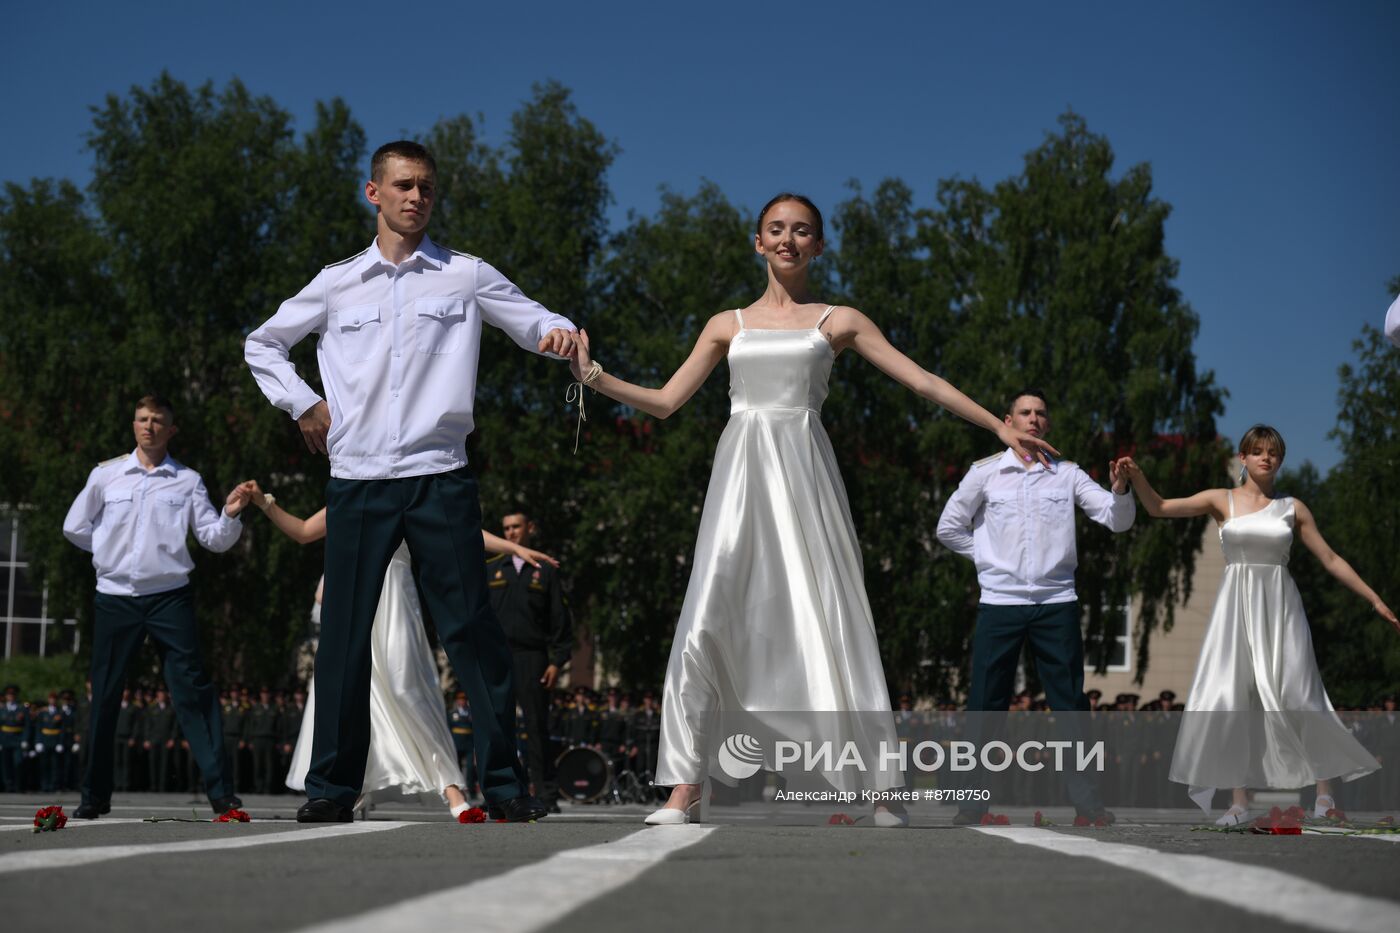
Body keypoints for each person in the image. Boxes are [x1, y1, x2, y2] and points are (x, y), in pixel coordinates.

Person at [567, 193, 1055, 825]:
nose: (788, 240)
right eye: (776, 230)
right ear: (758, 241)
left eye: (802, 232)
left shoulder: (839, 320)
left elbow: (922, 381)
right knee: (706, 616)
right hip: (739, 479)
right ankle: (685, 787)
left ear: (818, 246)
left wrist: (998, 426)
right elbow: (664, 402)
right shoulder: (727, 323)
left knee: (829, 614)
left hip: (803, 475)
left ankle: (879, 788)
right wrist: (591, 374)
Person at [244, 140, 576, 824]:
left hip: (440, 478)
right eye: (402, 186)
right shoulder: (338, 282)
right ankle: (332, 788)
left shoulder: (464, 275)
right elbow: (262, 343)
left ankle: (507, 785)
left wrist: (559, 334)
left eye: (426, 187)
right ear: (374, 193)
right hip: (359, 480)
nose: (416, 197)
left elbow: (534, 317)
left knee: (473, 633)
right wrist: (302, 403)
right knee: (343, 635)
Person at [1119, 425, 1397, 824]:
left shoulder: (1293, 508)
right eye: (1258, 451)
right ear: (1242, 458)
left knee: (1301, 695)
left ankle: (1324, 795)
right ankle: (1238, 802)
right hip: (1235, 608)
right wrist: (1137, 476)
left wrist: (1374, 599)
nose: (1266, 457)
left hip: (1281, 607)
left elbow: (1331, 559)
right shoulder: (1222, 500)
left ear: (1280, 460)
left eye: (1274, 452)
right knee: (1237, 699)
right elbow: (1159, 508)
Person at [239, 485, 559, 818]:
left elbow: (460, 532)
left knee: (407, 688)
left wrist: (513, 548)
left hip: (396, 610)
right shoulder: (360, 491)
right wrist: (263, 502)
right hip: (361, 602)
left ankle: (451, 786)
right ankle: (349, 788)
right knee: (357, 692)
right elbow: (304, 531)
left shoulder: (419, 484)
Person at [935, 389, 1132, 825]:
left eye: (1041, 413)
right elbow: (948, 527)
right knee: (987, 704)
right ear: (1008, 420)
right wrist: (988, 558)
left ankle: (1087, 806)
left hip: (1055, 602)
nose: (1033, 419)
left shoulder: (1068, 475)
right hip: (999, 604)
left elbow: (1116, 520)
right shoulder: (985, 473)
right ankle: (972, 806)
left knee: (1071, 707)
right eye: (1024, 412)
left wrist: (1119, 488)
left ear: (1049, 424)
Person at [62, 394, 248, 818]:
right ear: (133, 425)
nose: (149, 426)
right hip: (115, 597)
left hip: (169, 598)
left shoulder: (187, 480)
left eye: (158, 421)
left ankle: (222, 794)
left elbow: (213, 538)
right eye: (143, 419)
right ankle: (94, 796)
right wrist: (107, 553)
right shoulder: (106, 476)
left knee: (193, 695)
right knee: (105, 696)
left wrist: (232, 514)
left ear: (171, 430)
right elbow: (74, 526)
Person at [489, 511, 573, 812]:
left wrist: (557, 662)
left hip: (532, 657)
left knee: (537, 727)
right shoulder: (492, 568)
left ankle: (547, 794)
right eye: (506, 528)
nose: (511, 533)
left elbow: (560, 620)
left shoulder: (545, 571)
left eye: (516, 527)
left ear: (530, 528)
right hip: (497, 657)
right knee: (497, 727)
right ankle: (504, 793)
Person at [1, 685, 29, 792]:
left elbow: (26, 725)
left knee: (18, 763)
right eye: (9, 695)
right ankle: (9, 786)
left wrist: (25, 739)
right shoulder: (2, 709)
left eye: (13, 694)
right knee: (6, 764)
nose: (11, 696)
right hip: (5, 739)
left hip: (18, 739)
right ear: (6, 696)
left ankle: (18, 785)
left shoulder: (22, 708)